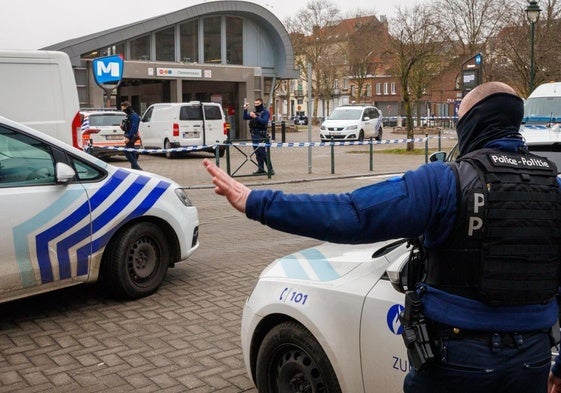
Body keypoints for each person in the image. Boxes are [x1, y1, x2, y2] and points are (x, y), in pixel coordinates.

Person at [204, 81, 561, 393]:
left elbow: (351, 214)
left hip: (456, 362)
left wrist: (256, 201)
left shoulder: (444, 181)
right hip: (532, 361)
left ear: (472, 124)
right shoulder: (554, 187)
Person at [243, 97, 274, 175]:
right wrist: (245, 109)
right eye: (255, 103)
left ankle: (270, 170)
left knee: (263, 152)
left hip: (261, 134)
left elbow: (264, 121)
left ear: (261, 103)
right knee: (257, 153)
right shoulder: (254, 112)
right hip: (254, 135)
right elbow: (245, 117)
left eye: (258, 103)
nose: (256, 105)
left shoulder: (265, 112)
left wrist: (255, 117)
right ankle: (261, 169)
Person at [120, 101, 142, 170]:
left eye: (123, 108)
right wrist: (122, 127)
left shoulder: (134, 116)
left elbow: (134, 127)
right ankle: (135, 168)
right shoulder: (129, 116)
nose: (123, 110)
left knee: (127, 151)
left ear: (126, 107)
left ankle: (137, 168)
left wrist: (129, 137)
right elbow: (128, 127)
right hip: (130, 135)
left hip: (131, 136)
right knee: (132, 151)